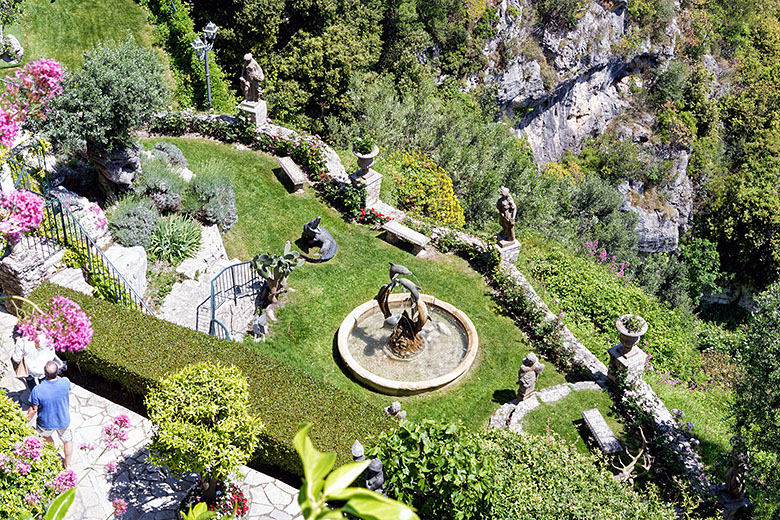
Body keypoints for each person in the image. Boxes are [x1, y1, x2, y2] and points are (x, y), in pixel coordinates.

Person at [26, 361, 73, 469]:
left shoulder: (37, 390)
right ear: (57, 372)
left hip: (46, 423)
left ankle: (55, 454)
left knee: (45, 436)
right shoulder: (65, 382)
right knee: (67, 440)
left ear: (44, 374)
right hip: (63, 420)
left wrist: (24, 421)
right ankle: (67, 464)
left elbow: (33, 410)